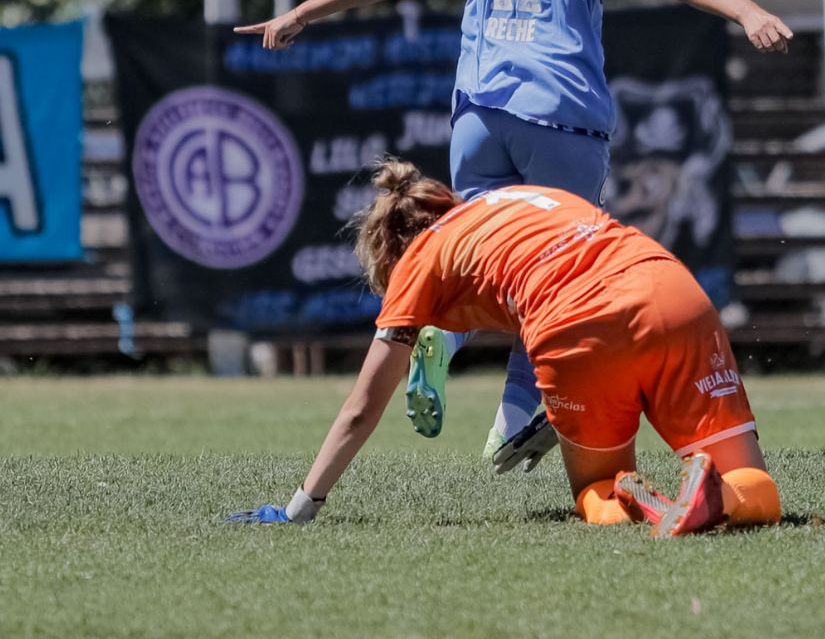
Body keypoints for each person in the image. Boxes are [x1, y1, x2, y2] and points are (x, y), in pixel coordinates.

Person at [236, 0, 793, 464]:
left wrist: (305, 10)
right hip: (559, 114)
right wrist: (745, 10)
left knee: (481, 262)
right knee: (557, 274)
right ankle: (516, 416)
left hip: (478, 113)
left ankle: (442, 334)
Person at [224, 161, 781, 536]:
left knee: (596, 489)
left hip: (577, 324)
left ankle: (631, 497)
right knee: (759, 490)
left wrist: (302, 505)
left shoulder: (419, 261)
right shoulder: (513, 200)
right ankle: (724, 500)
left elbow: (362, 408)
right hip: (671, 287)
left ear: (394, 248)